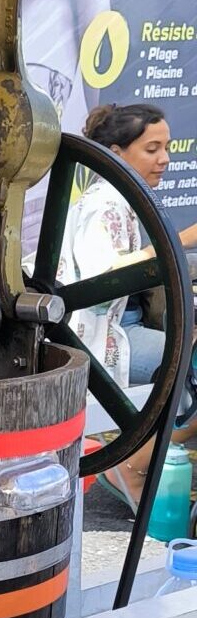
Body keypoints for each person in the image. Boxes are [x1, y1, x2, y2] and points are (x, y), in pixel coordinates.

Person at [58, 103, 197, 510]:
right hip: (101, 338)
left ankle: (146, 456)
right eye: (152, 148)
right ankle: (134, 463)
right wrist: (183, 240)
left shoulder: (121, 199)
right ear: (117, 154)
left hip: (122, 326)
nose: (165, 159)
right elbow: (105, 277)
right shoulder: (106, 203)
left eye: (167, 147)